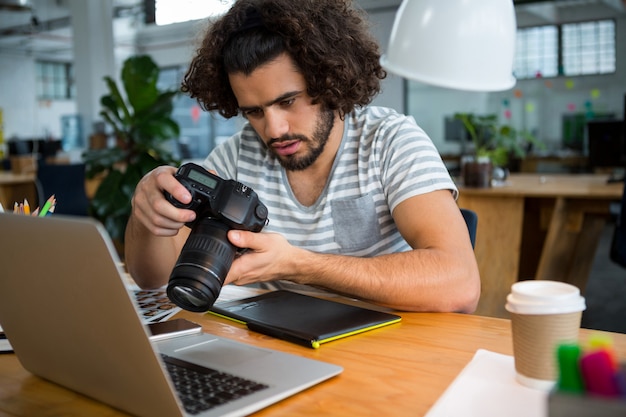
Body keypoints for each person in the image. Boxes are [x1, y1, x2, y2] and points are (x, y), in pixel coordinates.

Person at [125, 0, 480, 313]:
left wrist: (299, 265)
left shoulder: (390, 141)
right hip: (277, 347)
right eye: (254, 112)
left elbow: (460, 285)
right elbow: (153, 279)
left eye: (287, 101)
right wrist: (146, 217)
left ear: (328, 78)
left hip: (388, 351)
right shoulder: (236, 157)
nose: (274, 129)